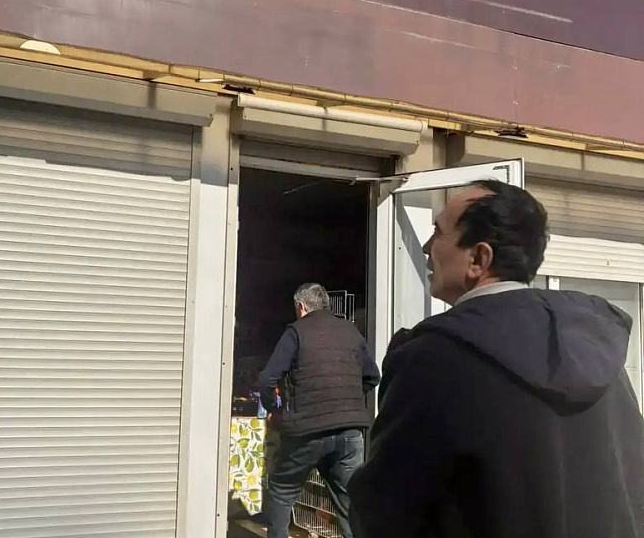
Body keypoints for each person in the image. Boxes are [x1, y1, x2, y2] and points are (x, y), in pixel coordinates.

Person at [349, 180, 644, 538]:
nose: (426, 247)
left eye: (438, 232)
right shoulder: (595, 346)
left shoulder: (435, 358)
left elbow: (386, 509)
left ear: (478, 259)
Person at [257, 282, 381, 538]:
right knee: (350, 504)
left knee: (281, 491)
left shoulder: (296, 331)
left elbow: (267, 379)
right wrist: (346, 400)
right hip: (349, 432)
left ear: (301, 306)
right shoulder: (350, 331)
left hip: (306, 430)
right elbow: (373, 376)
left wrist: (274, 410)